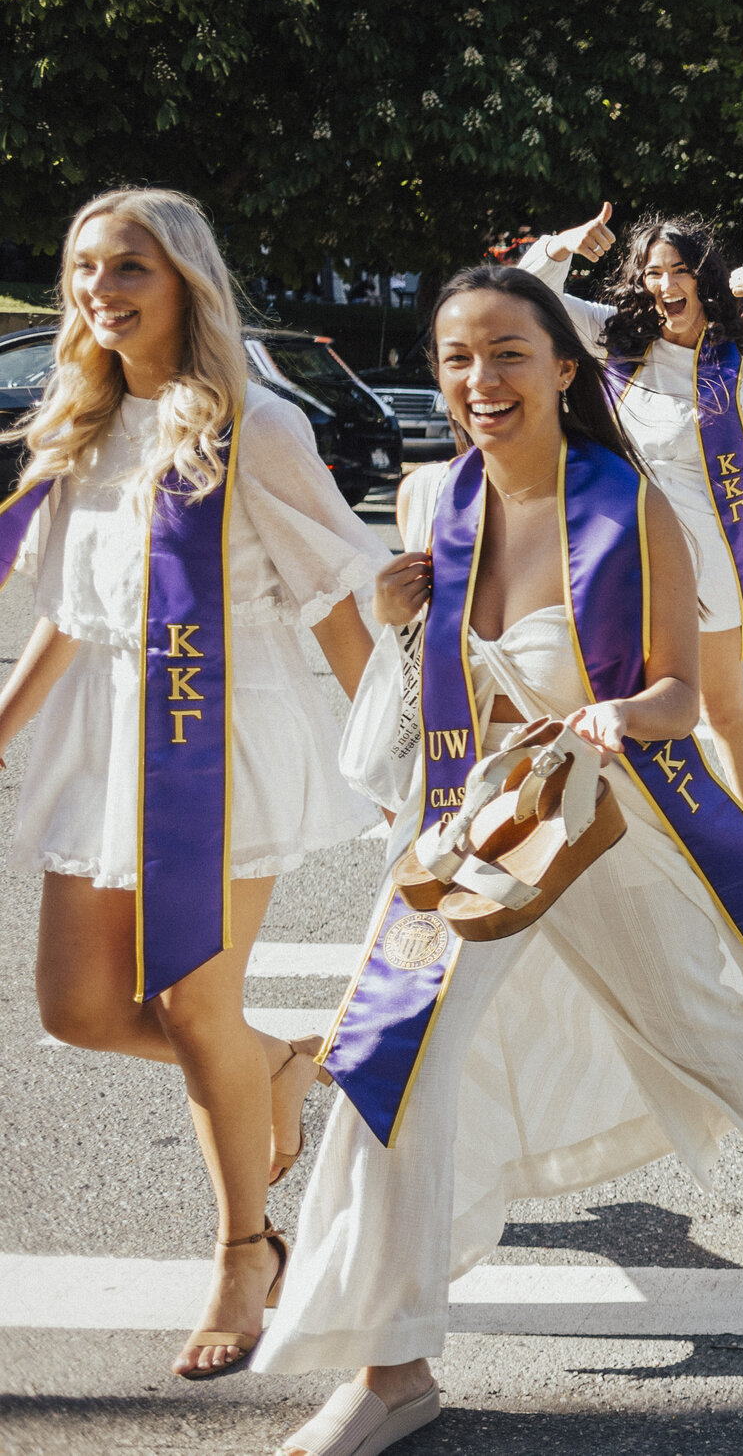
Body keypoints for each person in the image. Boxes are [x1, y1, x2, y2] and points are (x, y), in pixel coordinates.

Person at [257, 264, 743, 1454]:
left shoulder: (631, 507)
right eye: (456, 356)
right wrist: (396, 620)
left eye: (507, 352)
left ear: (562, 367)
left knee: (689, 1023)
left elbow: (677, 693)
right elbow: (396, 718)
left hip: (600, 821)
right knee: (393, 1055)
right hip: (463, 833)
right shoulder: (427, 500)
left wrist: (621, 717)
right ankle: (392, 1366)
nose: (478, 379)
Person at [0, 189, 386, 1379]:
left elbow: (336, 590)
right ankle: (273, 1060)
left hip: (218, 736)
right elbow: (70, 609)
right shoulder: (82, 417)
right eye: (83, 271)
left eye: (129, 269)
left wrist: (414, 756)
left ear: (187, 282)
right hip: (108, 729)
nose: (99, 292)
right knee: (76, 1007)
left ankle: (244, 1247)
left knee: (188, 1001)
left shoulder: (251, 422)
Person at [518, 204, 743, 815]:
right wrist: (561, 245)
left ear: (702, 279)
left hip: (707, 560)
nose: (665, 285)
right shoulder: (614, 342)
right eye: (652, 272)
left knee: (721, 706)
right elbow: (525, 299)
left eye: (679, 270)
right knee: (631, 698)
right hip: (624, 556)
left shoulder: (725, 370)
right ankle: (665, 831)